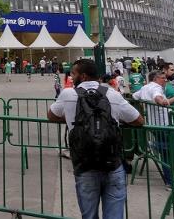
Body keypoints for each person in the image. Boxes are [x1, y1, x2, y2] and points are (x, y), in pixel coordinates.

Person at [47, 59, 143, 219]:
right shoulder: (112, 94)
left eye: (73, 74)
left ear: (83, 76)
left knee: (89, 215)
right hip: (113, 163)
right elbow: (139, 120)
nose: (71, 77)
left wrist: (72, 119)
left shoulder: (68, 94)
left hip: (84, 165)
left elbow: (51, 115)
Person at [132, 70, 174, 189]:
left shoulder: (145, 88)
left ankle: (155, 146)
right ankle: (170, 182)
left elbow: (134, 96)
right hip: (163, 125)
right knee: (169, 152)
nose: (165, 80)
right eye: (163, 78)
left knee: (167, 152)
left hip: (154, 124)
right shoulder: (156, 87)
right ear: (155, 79)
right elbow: (159, 100)